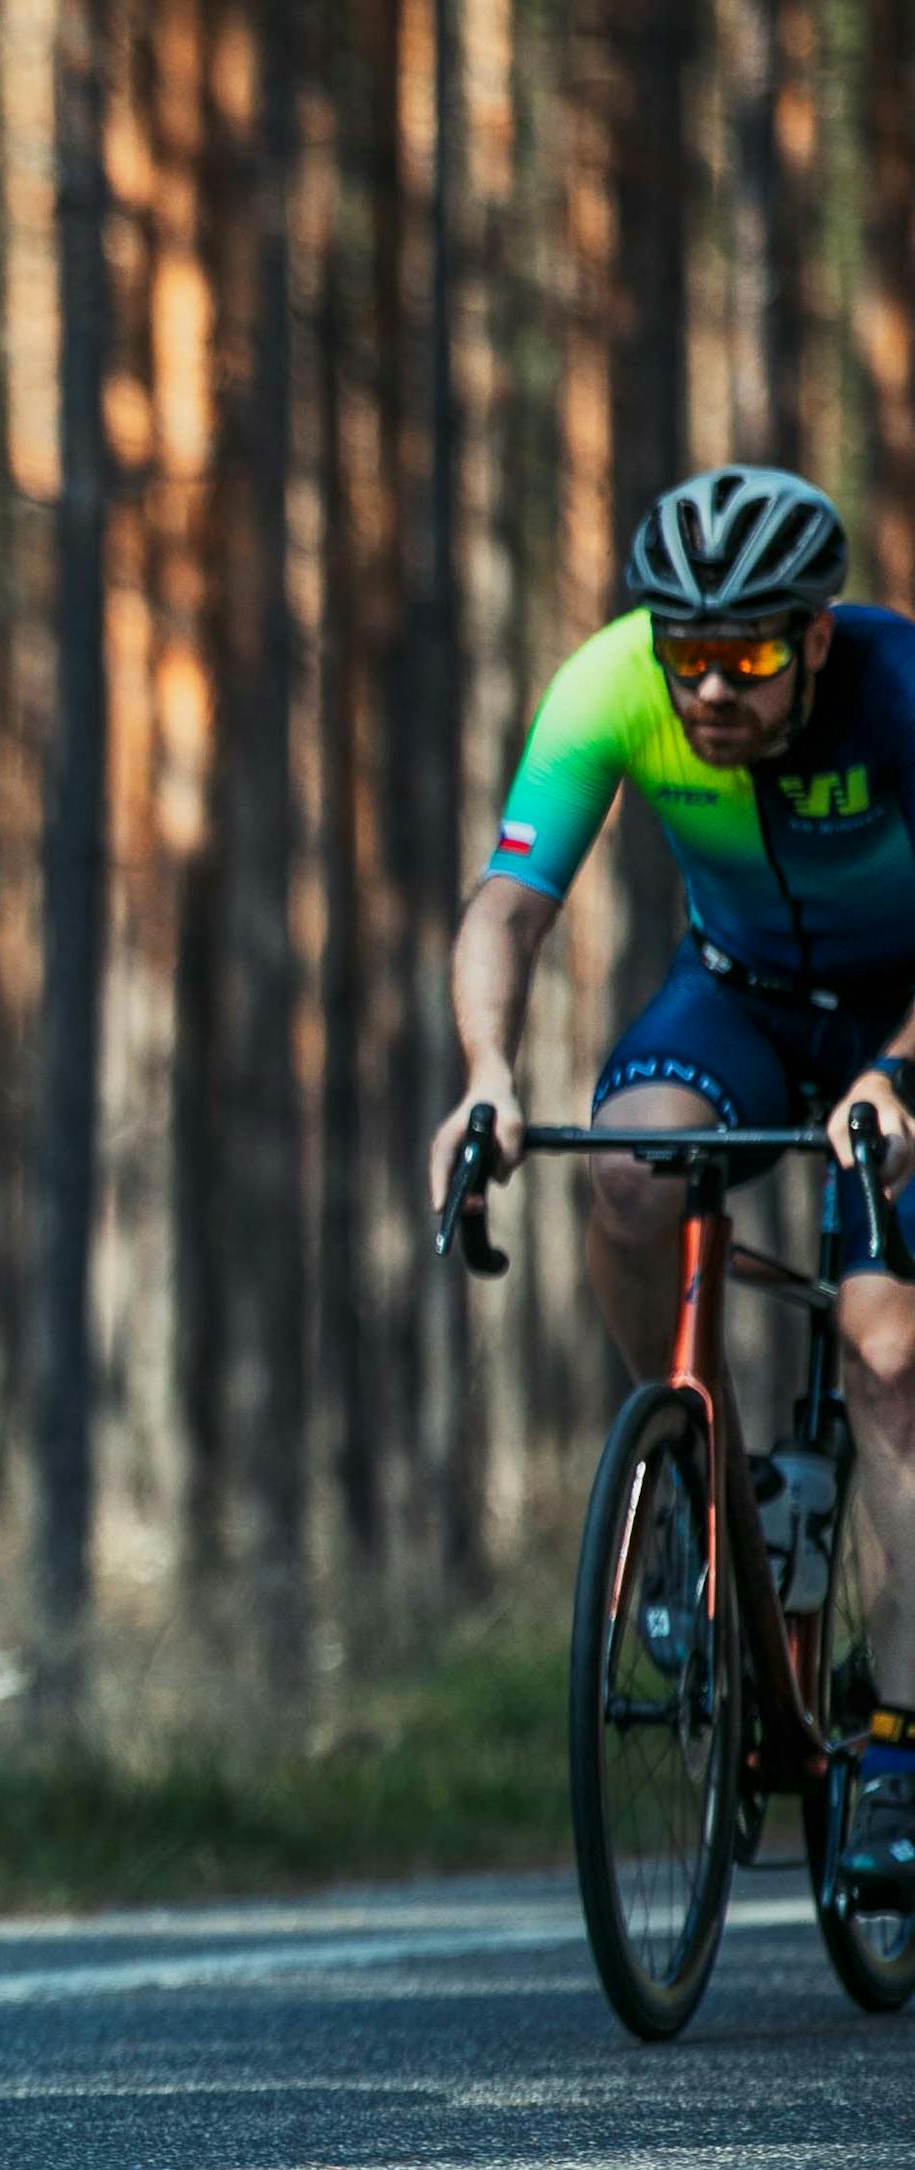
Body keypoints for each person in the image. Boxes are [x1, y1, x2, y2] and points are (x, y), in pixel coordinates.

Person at [433, 464, 915, 1905]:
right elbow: (509, 904)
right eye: (682, 653)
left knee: (885, 1343)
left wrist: (894, 1084)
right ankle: (696, 1486)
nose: (707, 689)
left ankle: (896, 1743)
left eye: (746, 657)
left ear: (814, 640)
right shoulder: (606, 685)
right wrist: (489, 1076)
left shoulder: (900, 693)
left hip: (901, 1020)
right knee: (634, 1177)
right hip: (740, 996)